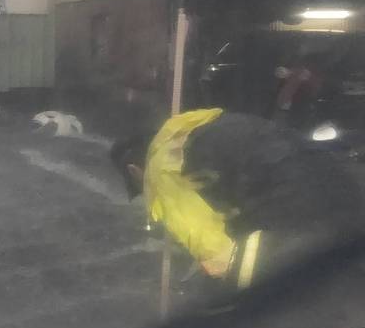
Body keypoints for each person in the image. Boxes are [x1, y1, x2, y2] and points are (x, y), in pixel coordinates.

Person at [111, 108, 362, 288]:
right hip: (340, 182)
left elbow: (214, 251)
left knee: (243, 289)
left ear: (135, 170)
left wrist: (215, 274)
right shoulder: (203, 128)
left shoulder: (160, 169)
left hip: (293, 205)